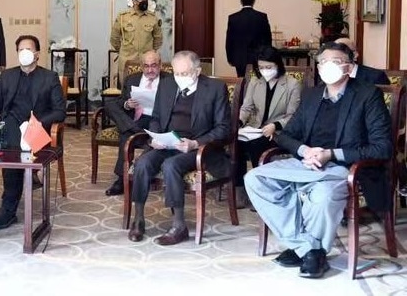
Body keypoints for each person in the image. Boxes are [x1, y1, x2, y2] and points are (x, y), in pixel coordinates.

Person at [244, 42, 392, 279]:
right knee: (254, 178)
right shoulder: (312, 95)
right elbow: (287, 135)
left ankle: (309, 252)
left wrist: (331, 154)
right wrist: (305, 151)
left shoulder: (367, 95)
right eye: (323, 62)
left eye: (335, 61)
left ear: (348, 65)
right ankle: (309, 248)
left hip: (343, 167)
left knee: (322, 197)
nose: (327, 67)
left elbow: (382, 147)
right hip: (306, 163)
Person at [128, 51, 230, 245]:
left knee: (170, 166)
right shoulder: (167, 85)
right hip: (168, 142)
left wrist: (195, 143)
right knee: (142, 163)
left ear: (198, 70)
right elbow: (157, 118)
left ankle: (179, 225)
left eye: (185, 74)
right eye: (176, 73)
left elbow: (224, 129)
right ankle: (139, 218)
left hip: (198, 146)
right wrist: (155, 137)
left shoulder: (215, 88)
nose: (179, 78)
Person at [0, 35, 66, 230]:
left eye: (28, 49)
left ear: (37, 54)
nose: (24, 53)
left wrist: (37, 122)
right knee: (11, 143)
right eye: (20, 50)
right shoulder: (7, 76)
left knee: (13, 148)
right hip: (11, 125)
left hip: (37, 128)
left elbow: (60, 111)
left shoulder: (49, 78)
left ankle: (8, 206)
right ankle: (8, 208)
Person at [235, 46, 302, 208]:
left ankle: (260, 192)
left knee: (257, 146)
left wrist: (275, 125)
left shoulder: (292, 84)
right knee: (235, 144)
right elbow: (246, 108)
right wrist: (238, 123)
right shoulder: (255, 82)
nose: (265, 71)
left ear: (277, 65)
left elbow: (294, 115)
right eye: (262, 67)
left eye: (269, 67)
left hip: (279, 132)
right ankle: (240, 191)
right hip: (255, 129)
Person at [103, 51, 164, 196]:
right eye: (146, 66)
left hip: (157, 121)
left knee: (126, 134)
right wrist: (127, 104)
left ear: (160, 65)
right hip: (135, 119)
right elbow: (121, 101)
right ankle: (132, 129)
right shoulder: (132, 79)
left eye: (154, 65)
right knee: (110, 104)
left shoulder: (169, 80)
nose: (150, 70)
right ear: (141, 66)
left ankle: (121, 179)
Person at [110, 0, 163, 87]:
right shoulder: (123, 17)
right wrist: (122, 51)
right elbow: (114, 38)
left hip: (147, 62)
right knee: (126, 89)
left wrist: (150, 52)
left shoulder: (152, 18)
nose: (145, 2)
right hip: (127, 60)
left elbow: (158, 39)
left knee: (148, 88)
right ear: (134, 1)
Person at [225, 0, 272, 77]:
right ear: (254, 1)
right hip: (258, 58)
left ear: (241, 1)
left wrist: (230, 59)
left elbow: (229, 40)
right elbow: (267, 39)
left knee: (242, 83)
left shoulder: (233, 18)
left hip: (239, 57)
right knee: (258, 84)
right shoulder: (262, 17)